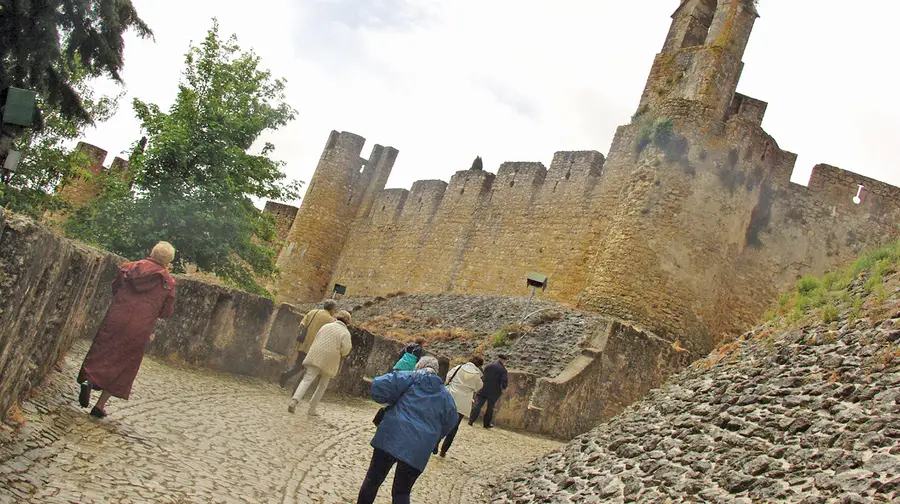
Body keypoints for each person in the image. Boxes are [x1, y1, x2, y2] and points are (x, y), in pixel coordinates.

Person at [77, 241, 177, 418]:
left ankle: (89, 381)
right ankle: (100, 405)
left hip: (117, 317)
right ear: (168, 261)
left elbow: (115, 288)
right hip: (139, 327)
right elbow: (166, 312)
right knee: (124, 363)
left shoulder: (128, 268)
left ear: (152, 253)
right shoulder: (167, 282)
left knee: (102, 350)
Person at [357, 356, 458, 504]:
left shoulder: (411, 377)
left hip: (391, 435)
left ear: (420, 366)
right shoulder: (446, 397)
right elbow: (451, 421)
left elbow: (380, 384)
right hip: (419, 448)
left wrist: (389, 398)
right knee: (402, 492)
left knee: (373, 480)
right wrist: (435, 438)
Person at [287, 310, 353, 416]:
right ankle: (312, 408)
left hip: (316, 354)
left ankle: (294, 401)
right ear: (347, 322)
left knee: (307, 378)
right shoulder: (345, 333)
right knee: (322, 384)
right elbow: (346, 349)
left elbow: (317, 337)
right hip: (331, 358)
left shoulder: (326, 326)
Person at [279, 300, 338, 387]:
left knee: (298, 364)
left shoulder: (313, 312)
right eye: (335, 309)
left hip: (304, 344)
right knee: (309, 371)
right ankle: (297, 389)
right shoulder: (331, 320)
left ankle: (287, 374)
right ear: (332, 309)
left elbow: (302, 324)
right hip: (316, 348)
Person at [433, 355, 483, 457]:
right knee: (454, 427)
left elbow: (448, 377)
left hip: (450, 396)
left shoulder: (459, 367)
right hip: (463, 402)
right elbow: (479, 387)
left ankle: (435, 443)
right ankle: (444, 450)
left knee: (442, 421)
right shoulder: (477, 375)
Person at [469, 354, 509, 429]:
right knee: (490, 407)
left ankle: (471, 420)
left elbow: (482, 376)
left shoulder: (488, 366)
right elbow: (504, 381)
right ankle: (486, 423)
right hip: (494, 391)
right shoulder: (503, 370)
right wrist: (503, 388)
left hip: (483, 388)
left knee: (478, 404)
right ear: (504, 360)